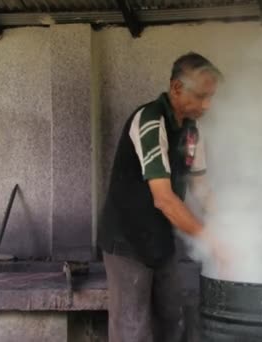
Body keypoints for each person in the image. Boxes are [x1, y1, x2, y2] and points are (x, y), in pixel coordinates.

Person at [98, 52, 225, 342]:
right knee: (132, 330)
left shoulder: (192, 132)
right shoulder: (150, 121)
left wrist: (227, 227)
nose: (207, 105)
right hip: (126, 240)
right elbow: (164, 200)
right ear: (177, 88)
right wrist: (211, 240)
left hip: (160, 238)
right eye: (202, 96)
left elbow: (201, 187)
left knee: (171, 319)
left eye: (211, 97)